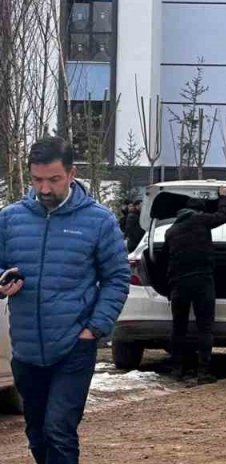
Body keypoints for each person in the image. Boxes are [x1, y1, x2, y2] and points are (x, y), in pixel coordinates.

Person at [0, 137, 130, 464]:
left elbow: (117, 277)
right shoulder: (11, 219)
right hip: (27, 349)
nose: (45, 188)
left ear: (71, 174)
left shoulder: (98, 220)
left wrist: (95, 328)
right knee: (37, 433)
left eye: (53, 179)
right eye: (37, 180)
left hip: (73, 346)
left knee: (59, 429)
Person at [164, 187, 226, 384]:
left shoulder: (171, 231)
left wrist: (169, 287)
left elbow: (166, 260)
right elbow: (223, 216)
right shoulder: (201, 220)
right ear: (200, 211)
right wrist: (223, 197)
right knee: (205, 327)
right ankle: (203, 372)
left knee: (179, 327)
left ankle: (177, 369)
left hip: (179, 283)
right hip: (202, 281)